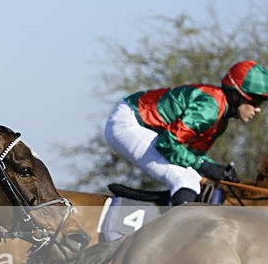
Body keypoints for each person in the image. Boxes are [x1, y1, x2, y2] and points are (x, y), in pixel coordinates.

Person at [104, 60, 268, 205]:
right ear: (237, 95)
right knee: (185, 181)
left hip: (146, 126)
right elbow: (167, 144)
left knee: (195, 179)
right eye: (255, 101)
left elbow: (189, 154)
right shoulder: (209, 109)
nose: (258, 109)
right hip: (129, 122)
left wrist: (218, 169)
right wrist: (206, 166)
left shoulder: (220, 121)